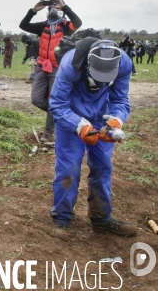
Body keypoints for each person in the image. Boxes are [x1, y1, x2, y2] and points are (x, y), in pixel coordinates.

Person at [48, 38, 135, 241]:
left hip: (101, 118)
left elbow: (120, 100)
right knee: (68, 168)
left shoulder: (124, 62)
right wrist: (79, 126)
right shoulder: (71, 64)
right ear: (88, 65)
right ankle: (62, 218)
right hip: (71, 118)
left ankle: (101, 218)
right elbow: (57, 103)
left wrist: (116, 121)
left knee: (103, 166)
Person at [19, 0, 83, 143]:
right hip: (42, 66)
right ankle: (60, 112)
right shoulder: (42, 26)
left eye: (56, 7)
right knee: (36, 99)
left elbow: (78, 23)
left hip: (58, 67)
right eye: (51, 7)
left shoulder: (66, 26)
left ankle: (48, 132)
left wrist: (64, 7)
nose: (53, 9)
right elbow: (23, 25)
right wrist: (33, 10)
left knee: (54, 100)